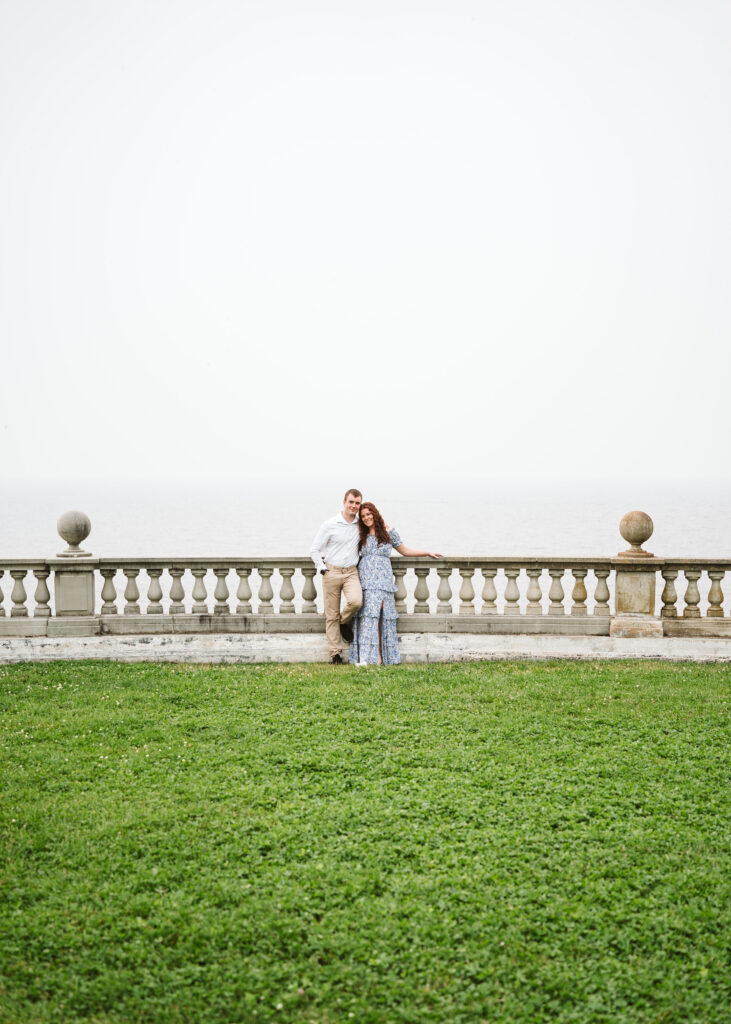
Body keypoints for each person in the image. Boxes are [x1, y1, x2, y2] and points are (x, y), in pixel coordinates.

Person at [349, 502, 442, 666]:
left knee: (382, 617)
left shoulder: (388, 532)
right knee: (368, 618)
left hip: (383, 581)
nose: (366, 518)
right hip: (365, 580)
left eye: (369, 514)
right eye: (363, 516)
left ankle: (382, 656)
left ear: (375, 514)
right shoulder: (359, 534)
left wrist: (427, 552)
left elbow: (405, 550)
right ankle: (367, 658)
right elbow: (345, 550)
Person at [309, 488, 364, 664]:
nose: (354, 506)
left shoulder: (360, 524)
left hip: (351, 572)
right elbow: (314, 549)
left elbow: (375, 528)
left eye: (357, 503)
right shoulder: (330, 524)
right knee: (331, 614)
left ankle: (343, 622)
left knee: (356, 601)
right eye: (351, 502)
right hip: (331, 571)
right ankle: (335, 654)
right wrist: (321, 567)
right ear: (344, 502)